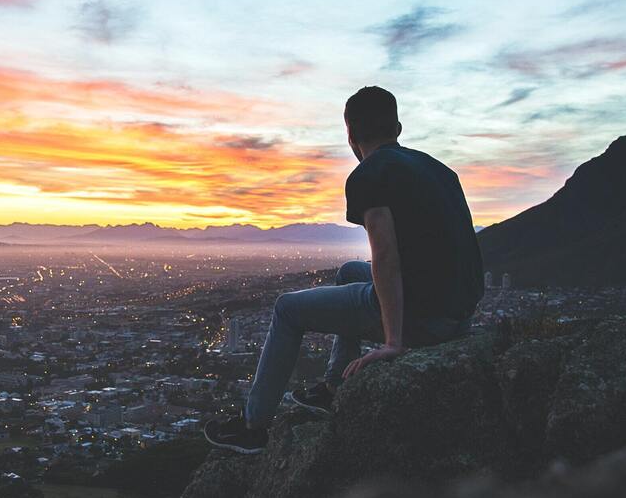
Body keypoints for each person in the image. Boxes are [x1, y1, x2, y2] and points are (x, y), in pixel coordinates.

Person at [204, 86, 484, 454]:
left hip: (422, 315)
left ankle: (254, 426)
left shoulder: (370, 173)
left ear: (350, 135)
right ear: (397, 128)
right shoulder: (440, 170)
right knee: (351, 271)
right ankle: (335, 385)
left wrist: (394, 342)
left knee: (287, 309)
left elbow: (384, 254)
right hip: (455, 313)